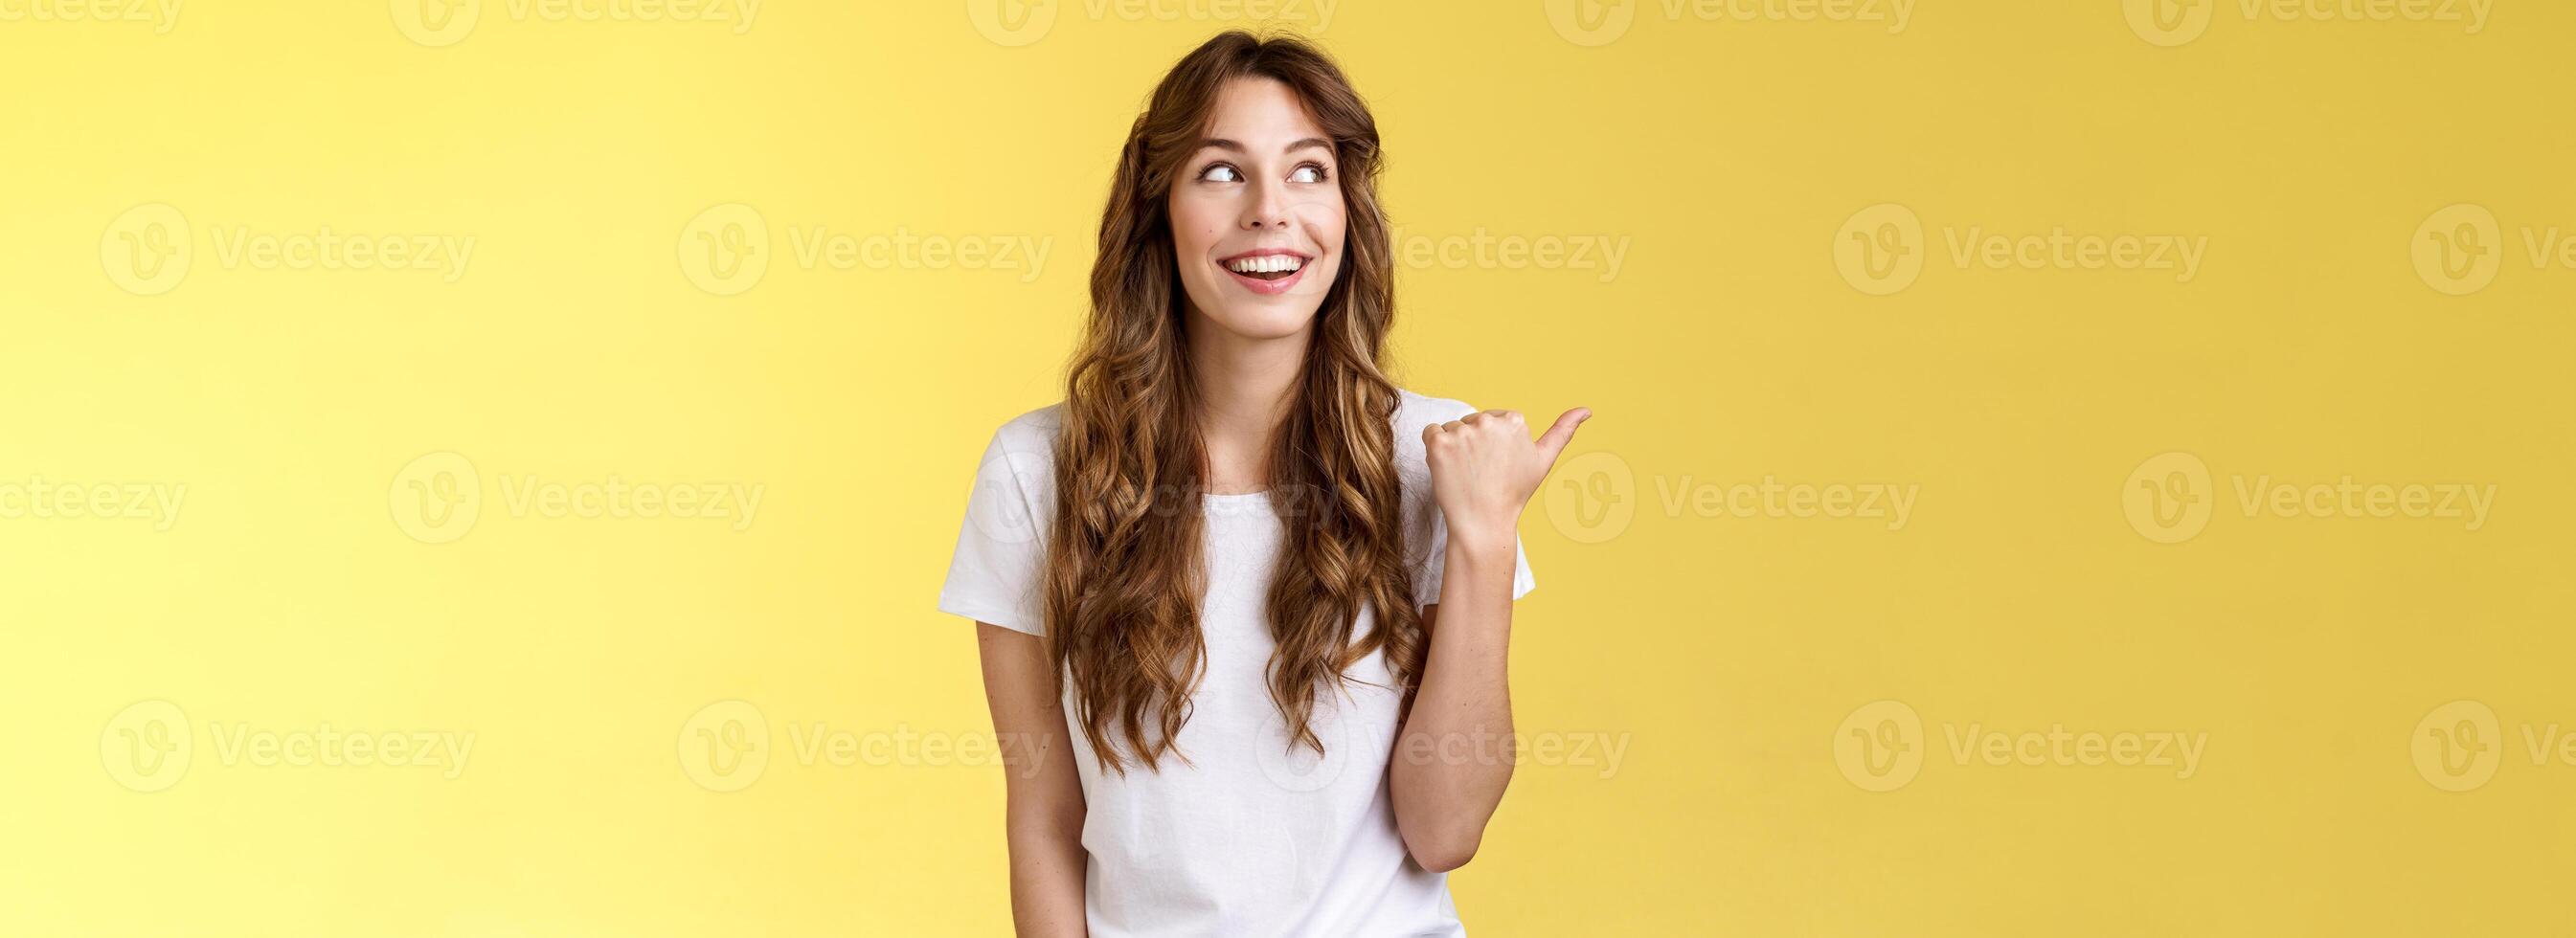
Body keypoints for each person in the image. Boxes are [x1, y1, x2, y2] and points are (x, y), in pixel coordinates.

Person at [938, 30, 1590, 937]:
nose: (1270, 212)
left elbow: (1444, 831)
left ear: (1347, 212)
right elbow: (1044, 821)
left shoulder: (1434, 458)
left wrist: (1485, 539)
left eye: (1308, 171)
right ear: (1157, 209)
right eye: (1220, 172)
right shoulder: (1037, 472)